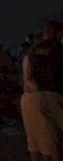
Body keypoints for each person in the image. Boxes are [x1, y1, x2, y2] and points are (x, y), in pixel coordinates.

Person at [21, 19, 63, 161]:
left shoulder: (31, 51)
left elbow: (27, 77)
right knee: (53, 145)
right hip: (52, 98)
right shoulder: (59, 49)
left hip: (29, 99)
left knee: (35, 145)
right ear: (59, 33)